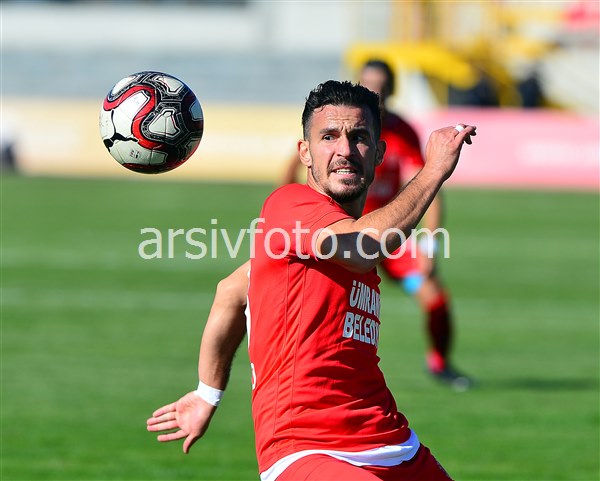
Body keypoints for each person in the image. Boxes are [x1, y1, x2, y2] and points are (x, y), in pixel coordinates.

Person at [147, 79, 476, 480]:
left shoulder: (333, 230)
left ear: (379, 153)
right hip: (306, 447)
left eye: (359, 137)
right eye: (328, 136)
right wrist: (435, 169)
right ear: (304, 152)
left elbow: (231, 292)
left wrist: (207, 393)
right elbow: (363, 248)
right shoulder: (290, 205)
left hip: (392, 443)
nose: (344, 150)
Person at [282, 60, 471, 389]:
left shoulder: (402, 132)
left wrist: (429, 244)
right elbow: (292, 166)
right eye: (369, 84)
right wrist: (290, 206)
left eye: (382, 86)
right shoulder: (338, 128)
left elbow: (426, 187)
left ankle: (440, 364)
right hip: (341, 233)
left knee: (435, 297)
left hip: (388, 235)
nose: (376, 91)